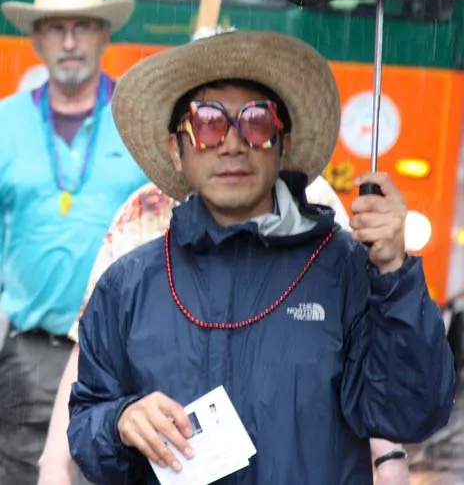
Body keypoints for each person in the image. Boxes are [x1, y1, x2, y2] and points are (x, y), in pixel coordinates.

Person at [68, 30, 455, 484]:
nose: (233, 144)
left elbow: (412, 411)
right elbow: (86, 428)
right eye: (208, 122)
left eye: (256, 122)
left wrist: (393, 273)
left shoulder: (347, 270)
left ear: (282, 143)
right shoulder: (128, 285)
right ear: (177, 150)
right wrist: (119, 422)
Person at [0, 0, 148, 483]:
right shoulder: (5, 122)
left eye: (82, 26)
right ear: (35, 39)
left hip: (123, 357)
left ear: (104, 34)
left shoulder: (137, 121)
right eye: (55, 29)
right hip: (32, 359)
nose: (69, 42)